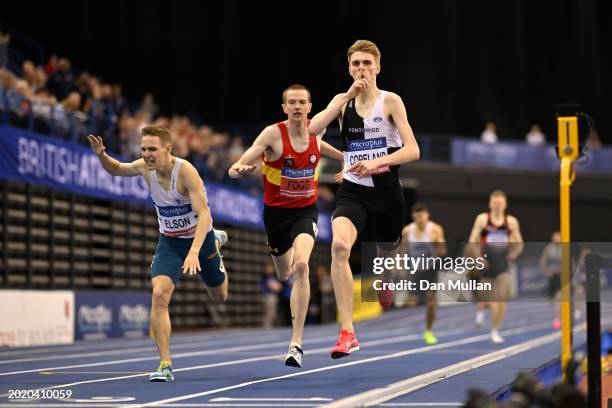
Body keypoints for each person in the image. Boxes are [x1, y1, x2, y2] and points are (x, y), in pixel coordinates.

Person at [88, 126, 229, 382]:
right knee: (159, 295)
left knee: (220, 296)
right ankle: (165, 364)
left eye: (152, 149)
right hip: (170, 242)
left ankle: (217, 244)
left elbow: (204, 214)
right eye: (143, 149)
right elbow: (118, 168)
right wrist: (101, 156)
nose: (147, 154)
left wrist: (196, 251)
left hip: (201, 238)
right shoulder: (144, 167)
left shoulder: (186, 172)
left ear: (168, 148)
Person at [308, 39, 420, 359]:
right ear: (349, 68)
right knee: (340, 247)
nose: (361, 69)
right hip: (353, 190)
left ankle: (385, 277)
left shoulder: (391, 102)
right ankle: (348, 332)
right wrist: (344, 97)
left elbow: (413, 150)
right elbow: (312, 131)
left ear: (378, 67)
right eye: (356, 64)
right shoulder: (343, 102)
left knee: (388, 250)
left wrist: (376, 163)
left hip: (386, 192)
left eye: (367, 64)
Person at [228, 84, 343, 368]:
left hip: (305, 211)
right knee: (283, 274)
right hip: (276, 215)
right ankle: (288, 258)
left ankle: (296, 343)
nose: (296, 107)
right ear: (284, 107)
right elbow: (241, 161)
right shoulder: (272, 134)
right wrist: (238, 169)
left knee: (302, 266)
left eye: (301, 102)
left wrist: (345, 157)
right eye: (291, 102)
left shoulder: (317, 130)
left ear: (309, 106)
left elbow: (319, 145)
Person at [467, 190, 523, 343]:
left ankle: (495, 330)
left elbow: (520, 243)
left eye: (500, 203)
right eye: (495, 203)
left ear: (505, 205)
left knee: (501, 299)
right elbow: (472, 240)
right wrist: (478, 257)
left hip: (502, 264)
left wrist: (514, 254)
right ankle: (480, 311)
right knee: (487, 299)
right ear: (490, 204)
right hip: (486, 263)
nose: (497, 206)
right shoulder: (483, 219)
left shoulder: (510, 222)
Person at [400, 203, 446, 345]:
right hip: (415, 269)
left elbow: (443, 251)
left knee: (431, 302)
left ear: (427, 215)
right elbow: (402, 250)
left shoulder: (435, 229)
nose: (419, 219)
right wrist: (401, 267)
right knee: (411, 301)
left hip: (431, 269)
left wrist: (438, 244)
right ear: (413, 217)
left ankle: (428, 330)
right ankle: (407, 330)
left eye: (422, 216)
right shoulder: (408, 230)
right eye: (417, 216)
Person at [539, 231, 562, 329]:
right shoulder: (548, 248)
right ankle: (559, 314)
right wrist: (547, 271)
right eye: (555, 237)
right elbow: (543, 261)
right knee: (552, 298)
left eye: (558, 237)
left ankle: (557, 319)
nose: (556, 239)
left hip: (561, 275)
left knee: (559, 297)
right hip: (552, 276)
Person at [261, 261, 282, 328]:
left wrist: (276, 286)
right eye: (270, 267)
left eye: (272, 267)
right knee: (268, 313)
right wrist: (275, 286)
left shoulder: (273, 276)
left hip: (274, 296)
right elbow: (271, 286)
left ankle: (270, 326)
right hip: (268, 296)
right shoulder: (265, 276)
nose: (271, 269)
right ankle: (266, 327)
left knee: (273, 314)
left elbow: (280, 287)